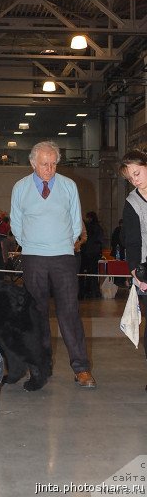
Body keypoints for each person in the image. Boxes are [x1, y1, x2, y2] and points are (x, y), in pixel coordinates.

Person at [10, 140, 96, 388]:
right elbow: (16, 222)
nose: (49, 169)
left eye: (53, 164)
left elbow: (75, 221)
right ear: (32, 163)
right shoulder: (20, 188)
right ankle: (40, 368)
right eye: (44, 164)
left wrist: (62, 245)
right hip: (33, 258)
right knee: (36, 315)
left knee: (69, 313)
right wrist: (31, 244)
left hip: (63, 258)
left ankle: (81, 368)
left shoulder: (69, 186)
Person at [119, 149, 147, 390]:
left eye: (137, 173)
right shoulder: (132, 203)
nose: (135, 180)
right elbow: (133, 242)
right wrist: (136, 273)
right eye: (131, 178)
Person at [79, 211, 104, 298]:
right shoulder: (98, 228)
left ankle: (85, 292)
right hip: (94, 253)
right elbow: (100, 241)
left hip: (87, 253)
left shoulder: (88, 227)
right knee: (93, 274)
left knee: (83, 274)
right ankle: (94, 292)